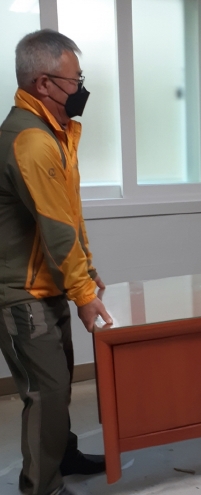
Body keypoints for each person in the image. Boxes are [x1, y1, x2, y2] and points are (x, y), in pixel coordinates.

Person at [0, 30, 113, 495]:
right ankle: (41, 487)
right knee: (44, 393)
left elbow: (68, 212)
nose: (81, 89)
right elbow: (55, 228)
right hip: (22, 295)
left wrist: (87, 270)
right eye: (75, 80)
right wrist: (83, 295)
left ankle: (62, 456)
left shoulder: (53, 131)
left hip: (47, 287)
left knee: (59, 384)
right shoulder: (31, 140)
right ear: (44, 83)